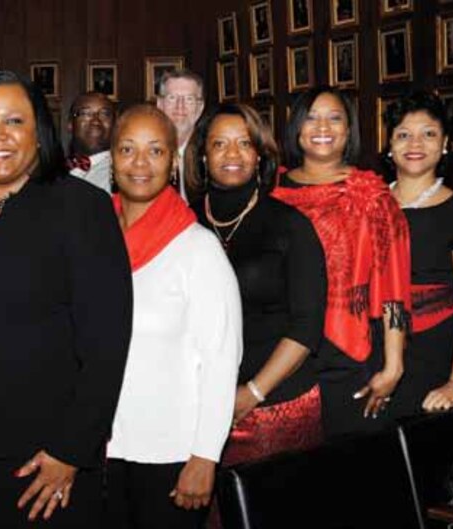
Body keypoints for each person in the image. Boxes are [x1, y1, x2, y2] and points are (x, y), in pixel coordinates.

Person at [0, 70, 133, 528]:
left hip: (44, 457)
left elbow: (107, 345)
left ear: (39, 133)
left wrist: (71, 450)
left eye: (13, 121)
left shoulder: (81, 208)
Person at [105, 104, 242, 528]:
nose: (140, 163)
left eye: (155, 151)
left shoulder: (197, 249)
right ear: (111, 160)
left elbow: (222, 359)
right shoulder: (94, 237)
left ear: (174, 161)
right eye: (127, 149)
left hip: (170, 454)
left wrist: (204, 457)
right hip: (101, 449)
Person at [188, 102, 325, 468]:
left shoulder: (290, 225)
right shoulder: (185, 223)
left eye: (244, 143)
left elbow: (307, 327)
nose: (232, 154)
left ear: (260, 155)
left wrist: (252, 392)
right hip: (196, 407)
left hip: (275, 405)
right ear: (202, 155)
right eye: (219, 144)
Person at [271, 86, 411, 437]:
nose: (323, 127)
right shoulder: (270, 192)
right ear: (296, 128)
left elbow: (393, 285)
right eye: (312, 117)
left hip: (348, 355)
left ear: (349, 131)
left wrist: (394, 364)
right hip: (282, 350)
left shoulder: (372, 196)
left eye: (335, 118)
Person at [382, 92, 453, 418]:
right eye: (403, 134)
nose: (415, 143)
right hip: (375, 355)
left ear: (445, 143)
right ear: (389, 144)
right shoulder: (370, 204)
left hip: (437, 360)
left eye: (428, 134)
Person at [155, 69, 205, 200]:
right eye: (172, 98)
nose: (180, 106)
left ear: (200, 108)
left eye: (189, 99)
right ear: (160, 104)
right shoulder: (145, 154)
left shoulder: (210, 153)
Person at [66, 91, 115, 193]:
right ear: (70, 124)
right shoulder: (53, 171)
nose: (95, 121)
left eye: (105, 114)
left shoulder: (121, 174)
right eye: (85, 113)